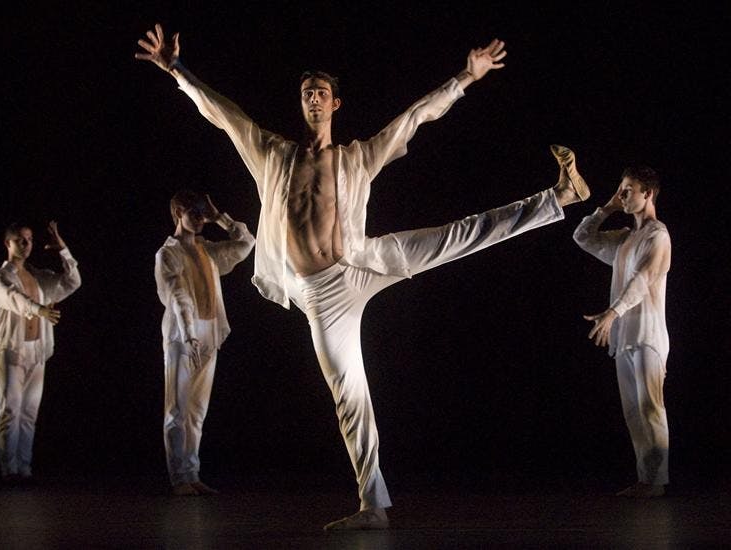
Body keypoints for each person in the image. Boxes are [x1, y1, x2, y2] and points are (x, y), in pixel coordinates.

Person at [136, 23, 590, 529]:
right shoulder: (272, 154)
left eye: (321, 93)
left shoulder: (356, 157)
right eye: (306, 93)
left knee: (458, 235)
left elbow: (414, 118)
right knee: (349, 395)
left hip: (362, 263)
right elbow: (223, 115)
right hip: (319, 295)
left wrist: (466, 76)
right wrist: (176, 69)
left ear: (335, 104)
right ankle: (373, 506)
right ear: (301, 103)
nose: (313, 98)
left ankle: (561, 196)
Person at [574, 167, 670, 498]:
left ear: (648, 193)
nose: (623, 194)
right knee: (634, 412)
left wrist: (612, 313)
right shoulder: (626, 239)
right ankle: (647, 480)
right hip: (626, 337)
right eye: (621, 189)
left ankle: (656, 482)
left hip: (648, 333)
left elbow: (643, 279)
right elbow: (582, 237)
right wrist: (606, 208)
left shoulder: (658, 235)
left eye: (629, 189)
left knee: (650, 407)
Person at [155, 190, 254, 496]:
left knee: (197, 410)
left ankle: (191, 472)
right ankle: (179, 478)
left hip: (210, 332)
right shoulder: (168, 253)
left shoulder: (206, 250)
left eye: (202, 214)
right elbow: (177, 295)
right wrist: (189, 333)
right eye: (194, 213)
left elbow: (246, 243)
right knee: (177, 409)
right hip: (183, 336)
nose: (200, 219)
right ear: (178, 213)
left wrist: (220, 217)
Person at [0, 221, 81, 485]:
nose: (26, 244)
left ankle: (24, 468)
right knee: (10, 411)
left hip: (37, 351)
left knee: (29, 413)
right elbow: (14, 298)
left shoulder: (39, 277)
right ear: (8, 243)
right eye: (20, 239)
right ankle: (9, 470)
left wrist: (63, 249)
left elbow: (72, 281)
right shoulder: (0, 277)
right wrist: (39, 309)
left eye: (29, 239)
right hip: (12, 351)